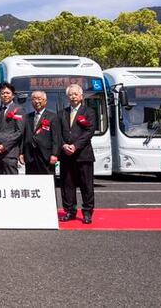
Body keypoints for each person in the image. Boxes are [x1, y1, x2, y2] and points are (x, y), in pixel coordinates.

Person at [59, 84, 96, 224]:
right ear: (67, 97)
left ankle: (87, 212)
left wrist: (75, 146)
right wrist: (63, 145)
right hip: (66, 155)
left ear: (81, 96)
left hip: (83, 155)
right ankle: (69, 211)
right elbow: (58, 133)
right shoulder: (62, 113)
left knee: (86, 186)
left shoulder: (89, 112)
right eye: (70, 94)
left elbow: (89, 132)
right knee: (67, 185)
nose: (73, 97)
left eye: (76, 94)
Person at [19, 90, 60, 175]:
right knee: (32, 180)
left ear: (45, 101)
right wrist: (21, 153)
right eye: (34, 99)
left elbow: (56, 137)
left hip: (46, 156)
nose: (36, 101)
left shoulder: (52, 117)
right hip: (30, 156)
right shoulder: (27, 117)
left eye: (39, 99)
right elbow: (23, 136)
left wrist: (54, 154)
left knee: (47, 179)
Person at [0, 82, 24, 174]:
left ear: (12, 95)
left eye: (7, 93)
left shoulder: (18, 109)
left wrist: (4, 146)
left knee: (11, 181)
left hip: (10, 153)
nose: (5, 95)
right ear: (0, 95)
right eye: (2, 93)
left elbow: (19, 132)